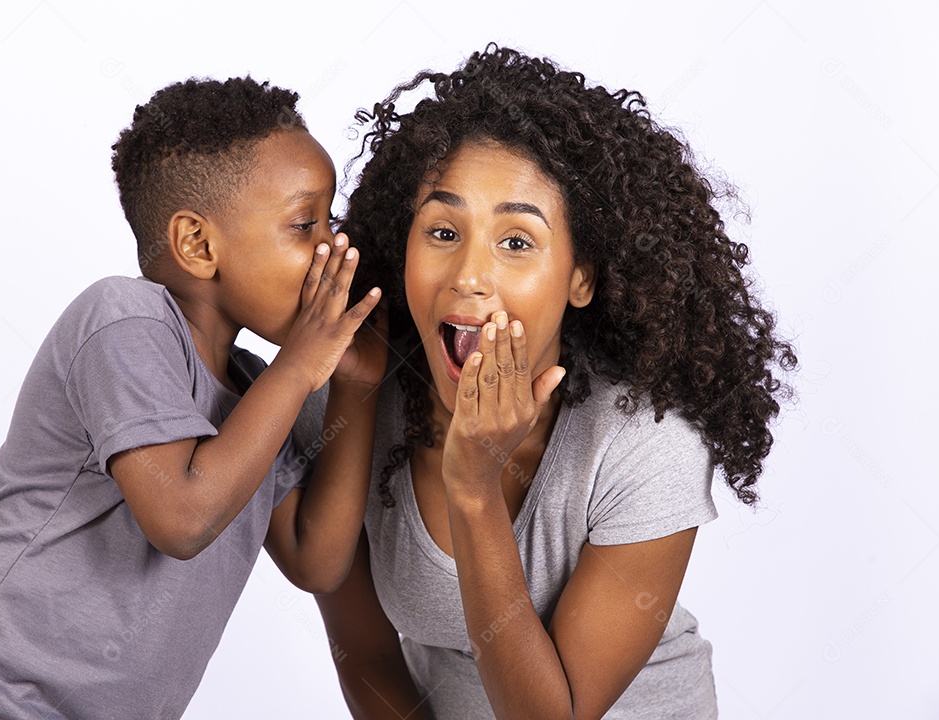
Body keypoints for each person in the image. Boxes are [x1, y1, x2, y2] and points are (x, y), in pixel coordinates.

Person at [0, 77, 385, 719]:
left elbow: (316, 559)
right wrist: (302, 364)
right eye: (305, 224)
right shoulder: (124, 318)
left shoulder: (255, 390)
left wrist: (355, 386)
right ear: (197, 245)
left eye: (331, 221)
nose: (333, 247)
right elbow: (183, 519)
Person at [307, 45, 797, 719]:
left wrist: (474, 487)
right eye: (443, 231)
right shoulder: (355, 400)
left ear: (581, 277)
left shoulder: (646, 442)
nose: (469, 275)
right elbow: (365, 657)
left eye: (516, 242)